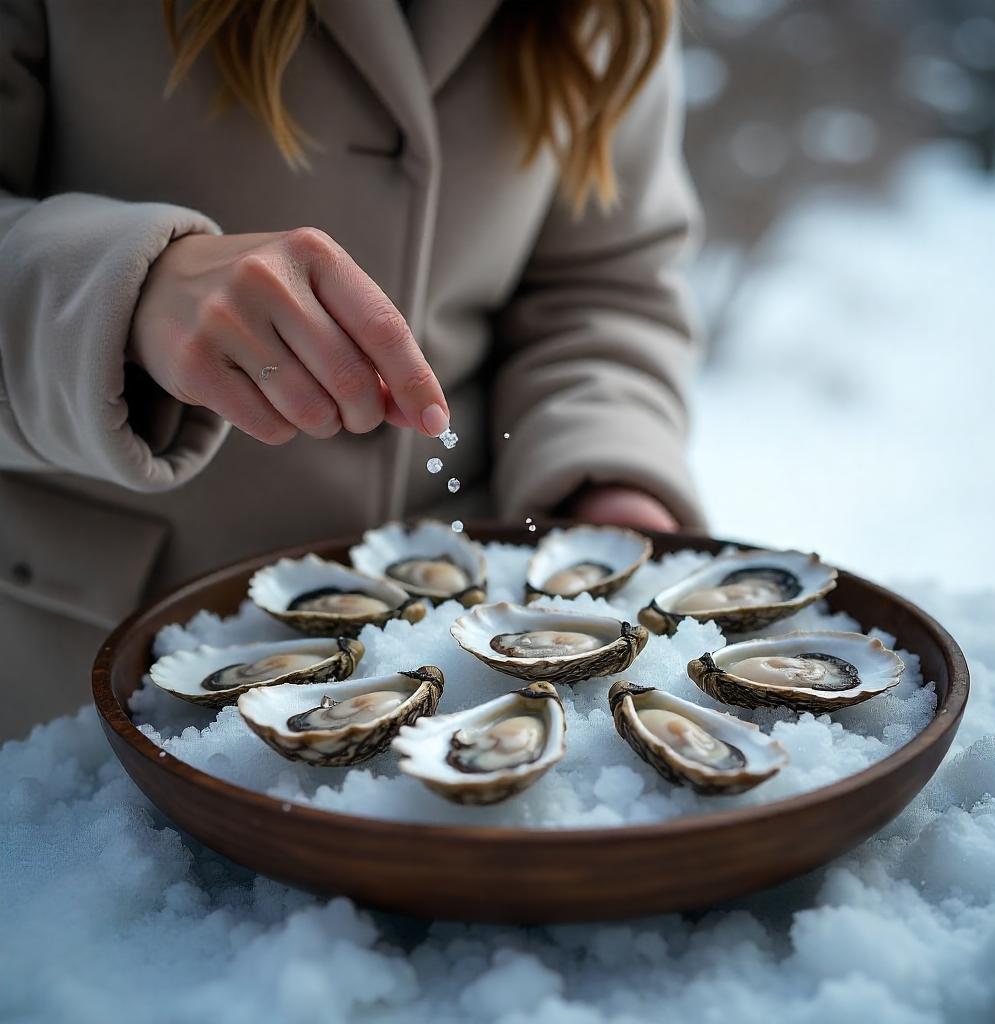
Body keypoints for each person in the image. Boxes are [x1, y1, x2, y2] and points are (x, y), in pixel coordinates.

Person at [0, 0, 704, 739]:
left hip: (462, 667)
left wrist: (603, 476)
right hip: (90, 672)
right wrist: (131, 291)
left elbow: (598, 288)